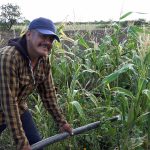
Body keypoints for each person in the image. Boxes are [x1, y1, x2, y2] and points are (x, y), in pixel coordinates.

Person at [0, 17, 73, 150]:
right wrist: (21, 143)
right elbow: (8, 103)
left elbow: (48, 93)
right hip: (5, 105)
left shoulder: (43, 60)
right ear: (28, 34)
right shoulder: (9, 57)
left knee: (37, 145)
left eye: (51, 39)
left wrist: (61, 122)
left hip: (18, 106)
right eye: (43, 36)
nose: (47, 42)